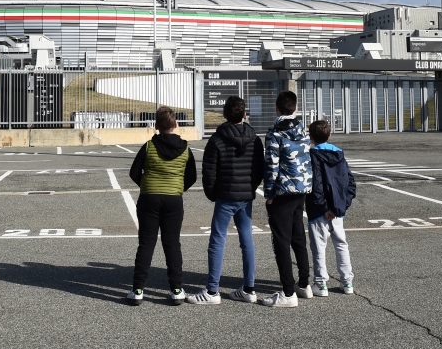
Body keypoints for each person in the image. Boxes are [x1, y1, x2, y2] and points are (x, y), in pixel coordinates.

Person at [186, 96, 264, 305]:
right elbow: (259, 169)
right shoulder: (255, 138)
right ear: (244, 114)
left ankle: (212, 291)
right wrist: (251, 188)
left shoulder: (217, 139)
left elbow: (209, 171)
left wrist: (213, 194)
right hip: (245, 196)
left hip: (225, 196)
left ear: (224, 114)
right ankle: (249, 288)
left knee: (217, 240)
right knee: (247, 240)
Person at [126, 106, 197, 306]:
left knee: (146, 243)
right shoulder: (185, 148)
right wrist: (177, 188)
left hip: (149, 198)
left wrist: (148, 186)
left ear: (156, 126)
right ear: (176, 125)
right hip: (174, 199)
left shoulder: (148, 146)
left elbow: (134, 172)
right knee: (172, 243)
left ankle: (138, 289)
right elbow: (192, 176)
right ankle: (176, 289)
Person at [261, 90, 313, 308]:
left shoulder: (275, 134)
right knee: (298, 236)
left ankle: (288, 292)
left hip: (283, 191)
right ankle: (304, 284)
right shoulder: (303, 129)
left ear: (277, 108)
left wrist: (269, 193)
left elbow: (271, 166)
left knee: (281, 241)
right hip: (302, 188)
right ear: (295, 107)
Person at [306, 120, 357, 296]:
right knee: (341, 244)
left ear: (310, 137)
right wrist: (340, 207)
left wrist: (324, 207)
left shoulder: (312, 155)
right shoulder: (340, 154)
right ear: (330, 135)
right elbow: (350, 183)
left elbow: (316, 184)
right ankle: (347, 282)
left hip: (318, 210)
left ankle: (320, 284)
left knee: (319, 246)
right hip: (338, 211)